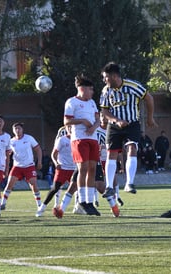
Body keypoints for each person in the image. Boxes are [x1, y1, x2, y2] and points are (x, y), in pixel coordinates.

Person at [100, 62, 157, 197]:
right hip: (114, 125)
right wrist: (116, 120)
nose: (104, 80)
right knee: (111, 154)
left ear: (114, 76)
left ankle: (129, 183)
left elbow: (149, 98)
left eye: (106, 77)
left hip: (132, 123)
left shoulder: (132, 86)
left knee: (132, 148)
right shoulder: (106, 90)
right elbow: (104, 110)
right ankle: (109, 187)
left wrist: (150, 118)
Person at [64, 74, 101, 216]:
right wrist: (83, 121)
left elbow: (98, 119)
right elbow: (66, 121)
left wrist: (93, 127)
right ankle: (82, 201)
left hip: (93, 138)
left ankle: (89, 202)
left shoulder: (92, 103)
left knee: (92, 168)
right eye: (90, 89)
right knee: (83, 168)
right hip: (79, 138)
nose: (92, 92)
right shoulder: (71, 102)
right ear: (82, 89)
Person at [1, 122, 43, 213]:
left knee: (33, 185)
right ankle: (2, 203)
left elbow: (38, 149)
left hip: (29, 166)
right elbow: (7, 153)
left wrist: (39, 161)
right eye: (15, 129)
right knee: (9, 184)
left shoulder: (29, 138)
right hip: (17, 166)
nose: (17, 130)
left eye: (19, 128)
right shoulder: (11, 141)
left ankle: (40, 205)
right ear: (13, 130)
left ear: (22, 129)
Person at [36, 126, 76, 217]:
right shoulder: (62, 140)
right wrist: (56, 163)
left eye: (72, 127)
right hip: (62, 168)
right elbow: (53, 154)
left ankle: (76, 207)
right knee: (54, 189)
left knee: (77, 189)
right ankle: (41, 208)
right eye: (69, 127)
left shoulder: (77, 140)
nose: (70, 129)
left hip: (74, 169)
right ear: (66, 129)